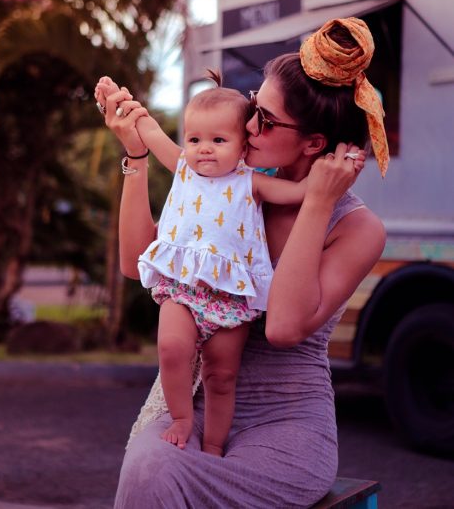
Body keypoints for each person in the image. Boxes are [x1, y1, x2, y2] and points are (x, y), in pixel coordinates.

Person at [96, 16, 388, 508]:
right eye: (255, 106)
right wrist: (137, 154)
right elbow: (134, 263)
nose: (248, 125)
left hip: (287, 422)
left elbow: (284, 328)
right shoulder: (227, 177)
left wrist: (315, 202)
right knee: (151, 469)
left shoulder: (358, 228)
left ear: (314, 143)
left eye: (266, 121)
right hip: (200, 402)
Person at [96, 72, 356, 457]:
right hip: (183, 291)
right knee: (170, 347)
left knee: (222, 375)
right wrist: (119, 102)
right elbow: (146, 127)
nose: (203, 149)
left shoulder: (251, 182)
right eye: (194, 139)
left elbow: (303, 193)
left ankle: (215, 445)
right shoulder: (185, 168)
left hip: (230, 302)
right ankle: (183, 419)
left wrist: (338, 167)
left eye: (219, 140)